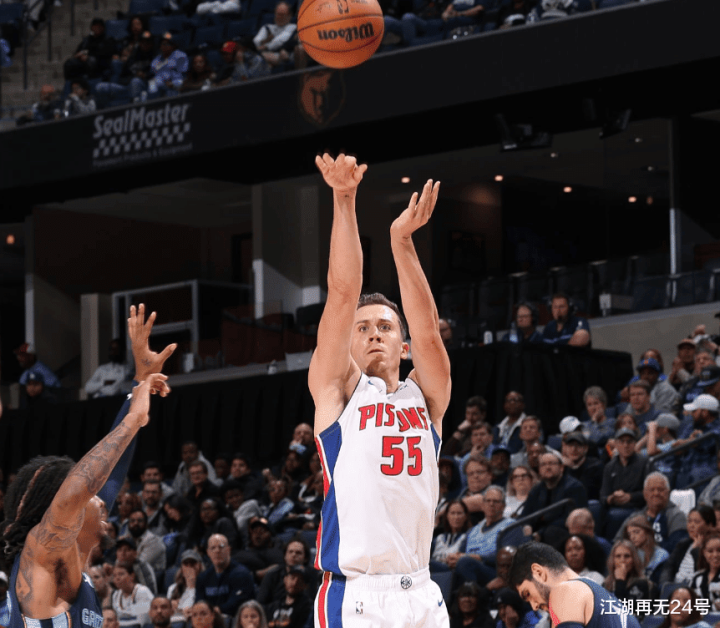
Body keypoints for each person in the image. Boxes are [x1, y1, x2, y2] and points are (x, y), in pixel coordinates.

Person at [309, 154, 451, 627]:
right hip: (357, 594)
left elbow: (428, 332)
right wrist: (344, 199)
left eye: (386, 327)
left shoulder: (425, 398)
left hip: (422, 590)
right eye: (363, 328)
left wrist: (402, 241)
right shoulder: (337, 393)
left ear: (402, 347)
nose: (374, 334)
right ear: (347, 346)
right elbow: (342, 292)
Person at [2, 304, 173, 628]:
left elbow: (113, 471)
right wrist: (134, 420)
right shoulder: (40, 556)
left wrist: (140, 383)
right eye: (89, 497)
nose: (103, 498)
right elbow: (77, 492)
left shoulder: (70, 560)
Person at [508, 541, 641, 628]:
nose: (534, 606)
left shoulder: (566, 592)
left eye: (528, 594)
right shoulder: (595, 590)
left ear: (539, 573)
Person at [599, 427, 647, 539]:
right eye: (622, 441)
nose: (625, 445)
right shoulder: (609, 467)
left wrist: (630, 497)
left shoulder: (644, 463)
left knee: (615, 516)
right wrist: (612, 498)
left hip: (638, 507)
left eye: (629, 441)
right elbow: (603, 496)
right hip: (614, 507)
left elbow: (649, 493)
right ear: (616, 444)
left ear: (634, 444)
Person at [195, 534, 255, 619]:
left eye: (221, 547)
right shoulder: (203, 577)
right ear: (208, 552)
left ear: (228, 550)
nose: (217, 551)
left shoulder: (242, 574)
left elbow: (236, 604)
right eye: (213, 548)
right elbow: (199, 602)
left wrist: (213, 611)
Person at [660, 505, 716, 586]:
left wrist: (696, 550)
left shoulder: (714, 548)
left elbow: (703, 574)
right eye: (689, 521)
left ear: (710, 525)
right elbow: (668, 567)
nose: (691, 526)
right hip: (675, 588)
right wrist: (665, 584)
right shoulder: (683, 544)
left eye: (696, 522)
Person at [602, 541, 654, 618]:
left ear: (634, 560)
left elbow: (622, 610)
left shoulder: (642, 584)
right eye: (618, 556)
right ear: (613, 560)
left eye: (627, 556)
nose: (622, 560)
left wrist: (620, 581)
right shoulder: (606, 584)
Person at [431, 499, 472, 571]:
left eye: (459, 513)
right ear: (447, 516)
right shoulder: (438, 539)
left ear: (465, 516)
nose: (456, 517)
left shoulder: (468, 538)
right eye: (452, 513)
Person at [111, 561, 154, 627]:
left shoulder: (142, 591)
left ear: (132, 576)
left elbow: (141, 622)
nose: (117, 578)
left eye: (121, 574)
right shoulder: (116, 595)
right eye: (114, 575)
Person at [167, 550, 203, 622]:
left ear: (199, 566)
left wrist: (191, 586)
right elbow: (168, 614)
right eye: (186, 564)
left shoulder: (206, 586)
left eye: (193, 563)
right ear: (181, 568)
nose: (189, 567)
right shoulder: (173, 588)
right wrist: (171, 607)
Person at [690, 532, 720, 611]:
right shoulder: (697, 577)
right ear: (704, 553)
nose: (715, 555)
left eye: (719, 550)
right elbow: (690, 604)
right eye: (710, 551)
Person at [579, 386, 616, 452]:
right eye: (589, 405)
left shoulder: (612, 423)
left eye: (596, 403)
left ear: (603, 405)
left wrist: (594, 420)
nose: (593, 408)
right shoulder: (583, 425)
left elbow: (597, 439)